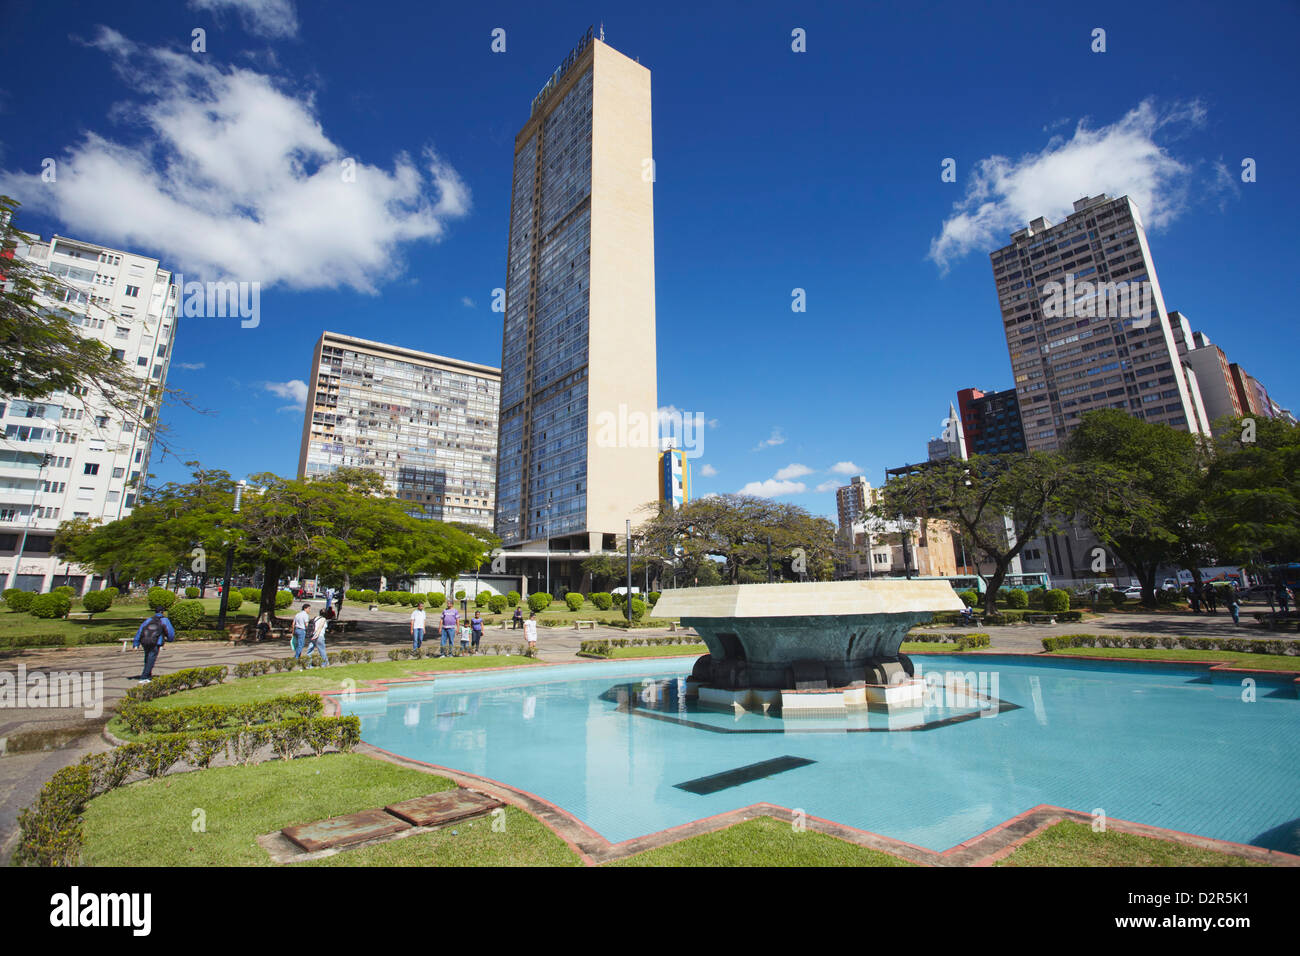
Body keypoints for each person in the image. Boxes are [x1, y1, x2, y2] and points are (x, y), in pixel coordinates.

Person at [132, 608, 175, 682]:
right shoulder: (164, 620)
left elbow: (140, 630)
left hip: (145, 641)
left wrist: (136, 643)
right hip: (156, 641)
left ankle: (148, 675)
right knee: (151, 658)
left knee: (147, 658)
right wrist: (170, 639)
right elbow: (170, 631)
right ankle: (144, 677)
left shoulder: (148, 620)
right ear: (163, 612)